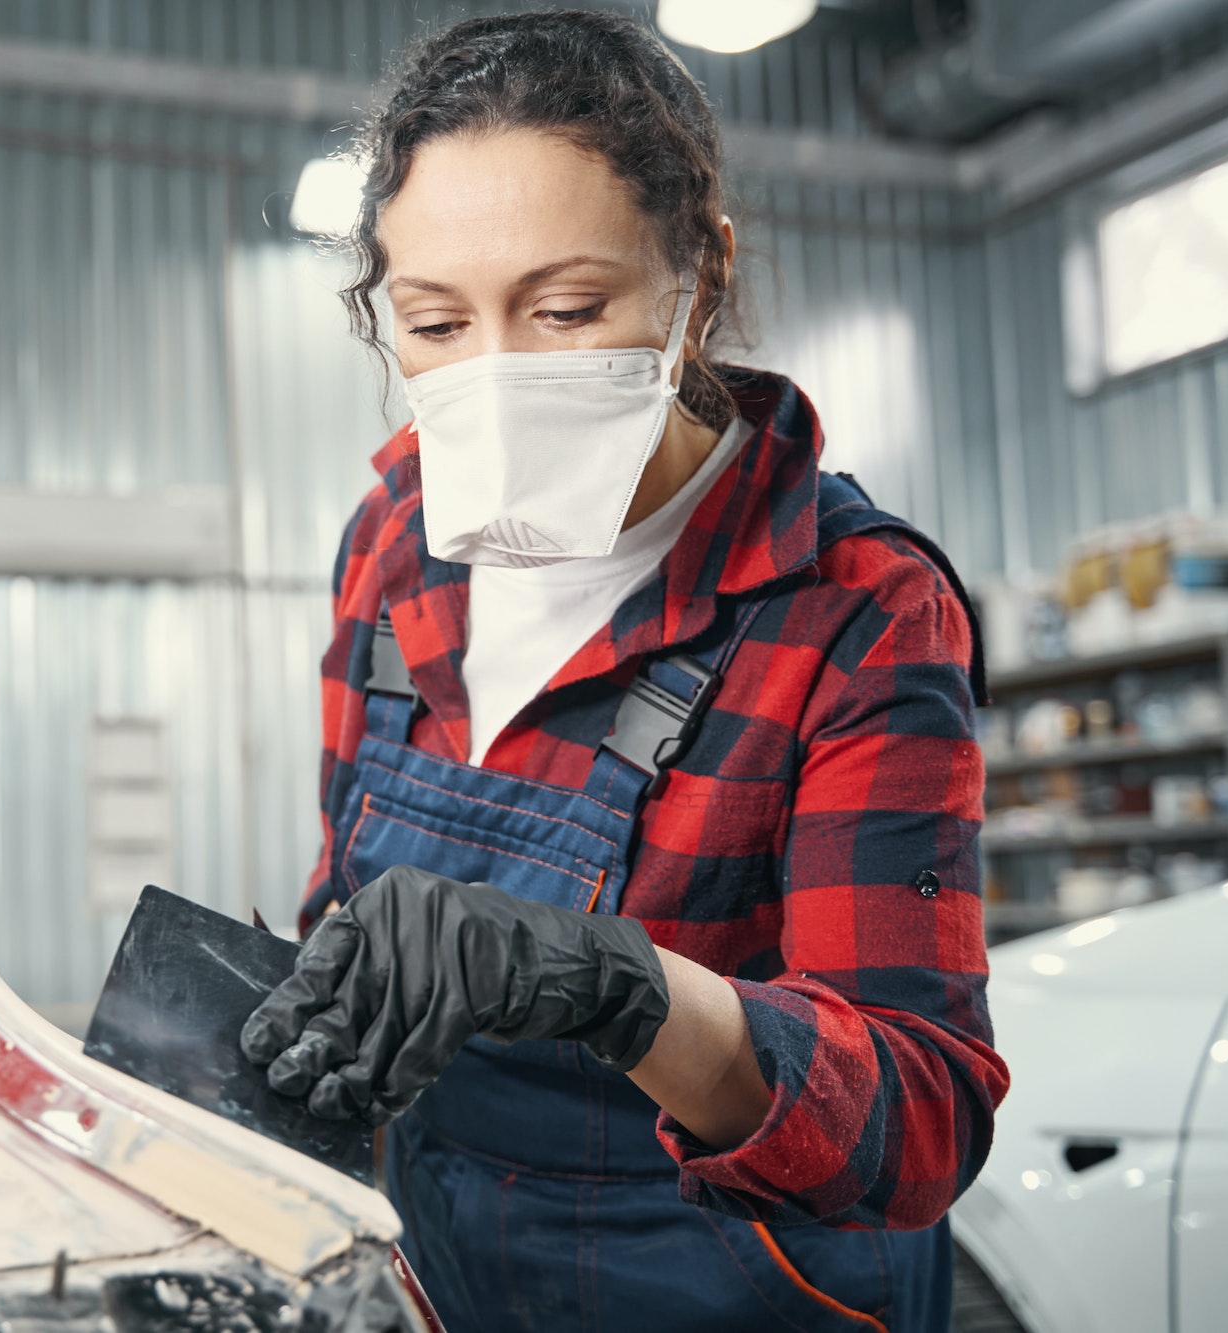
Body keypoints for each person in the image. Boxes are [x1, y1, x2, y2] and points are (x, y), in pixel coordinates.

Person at [239, 11, 1010, 1332]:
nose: (491, 377)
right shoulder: (389, 543)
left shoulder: (853, 607)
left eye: (565, 309)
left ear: (694, 281)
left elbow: (917, 1123)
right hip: (438, 1264)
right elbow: (345, 897)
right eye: (432, 321)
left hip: (728, 1286)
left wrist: (625, 987)